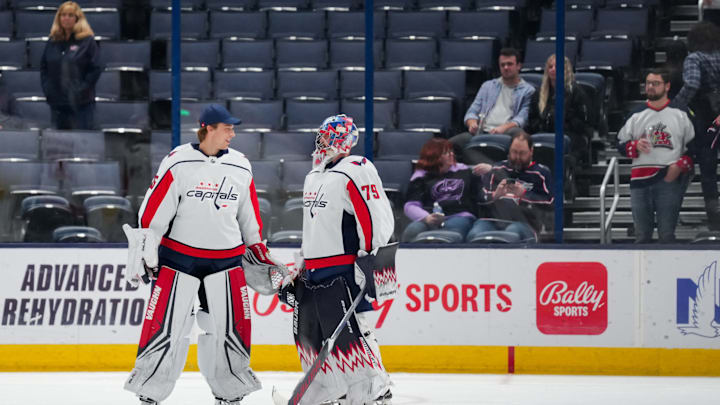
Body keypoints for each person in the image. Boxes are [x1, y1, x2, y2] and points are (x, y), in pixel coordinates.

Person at [123, 104, 284, 405]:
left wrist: (257, 248)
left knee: (228, 330)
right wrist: (146, 247)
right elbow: (153, 211)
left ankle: (230, 394)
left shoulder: (241, 165)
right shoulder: (177, 162)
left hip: (226, 260)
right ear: (208, 128)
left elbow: (249, 215)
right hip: (177, 259)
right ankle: (150, 394)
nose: (232, 134)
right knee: (168, 327)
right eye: (227, 128)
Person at [281, 114, 395, 404]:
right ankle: (334, 390)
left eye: (326, 136)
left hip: (345, 269)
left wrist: (371, 259)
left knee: (356, 330)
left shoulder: (356, 170)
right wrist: (301, 266)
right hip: (316, 273)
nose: (320, 142)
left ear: (341, 140)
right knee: (317, 337)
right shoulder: (314, 176)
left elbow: (375, 218)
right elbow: (313, 228)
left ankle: (375, 388)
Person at [618, 70, 695, 243]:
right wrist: (634, 146)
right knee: (641, 236)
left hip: (668, 179)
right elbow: (620, 142)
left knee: (666, 235)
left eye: (655, 83)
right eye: (648, 83)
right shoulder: (636, 114)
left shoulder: (681, 113)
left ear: (667, 86)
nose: (650, 87)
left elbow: (695, 146)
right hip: (639, 180)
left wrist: (681, 165)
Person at [671, 21, 720, 230]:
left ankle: (715, 217)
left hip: (705, 118)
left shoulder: (694, 59)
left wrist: (675, 106)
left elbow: (692, 83)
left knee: (707, 169)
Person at [449, 47, 535, 164]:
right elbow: (472, 111)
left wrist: (503, 127)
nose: (506, 68)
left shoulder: (528, 90)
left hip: (508, 131)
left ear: (519, 66)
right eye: (502, 65)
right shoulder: (488, 86)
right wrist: (472, 123)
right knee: (446, 146)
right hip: (482, 130)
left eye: (510, 64)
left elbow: (522, 118)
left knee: (521, 135)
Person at [466, 130, 553, 243]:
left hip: (524, 222)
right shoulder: (496, 169)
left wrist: (524, 195)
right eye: (514, 152)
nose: (517, 157)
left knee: (510, 234)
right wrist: (495, 195)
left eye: (522, 153)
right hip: (492, 220)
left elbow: (550, 202)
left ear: (531, 151)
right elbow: (480, 197)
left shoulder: (541, 173)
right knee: (474, 234)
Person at [402, 137, 491, 242]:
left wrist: (489, 170)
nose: (451, 154)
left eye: (451, 151)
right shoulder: (420, 177)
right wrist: (426, 217)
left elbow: (483, 189)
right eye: (446, 153)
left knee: (450, 234)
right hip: (429, 217)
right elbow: (410, 205)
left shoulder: (465, 171)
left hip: (459, 215)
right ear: (434, 156)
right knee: (412, 231)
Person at [40, 1, 102, 130]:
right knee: (59, 147)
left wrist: (81, 90)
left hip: (81, 105)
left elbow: (95, 68)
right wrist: (48, 89)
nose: (66, 18)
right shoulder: (53, 41)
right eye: (63, 15)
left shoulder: (87, 41)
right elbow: (44, 67)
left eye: (70, 15)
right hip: (57, 104)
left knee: (82, 145)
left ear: (77, 19)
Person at [528, 54, 592, 166]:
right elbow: (532, 119)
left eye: (557, 66)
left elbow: (584, 123)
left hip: (570, 134)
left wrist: (566, 117)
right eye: (550, 66)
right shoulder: (538, 94)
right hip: (544, 132)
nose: (553, 69)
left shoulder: (576, 92)